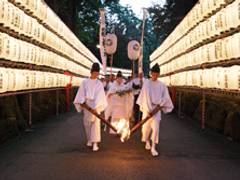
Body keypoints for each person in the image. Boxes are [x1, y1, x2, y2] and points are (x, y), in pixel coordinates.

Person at [137, 63, 174, 156]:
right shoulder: (147, 83)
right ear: (151, 73)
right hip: (147, 109)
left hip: (157, 109)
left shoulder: (162, 85)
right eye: (153, 74)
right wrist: (149, 110)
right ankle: (147, 141)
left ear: (158, 74)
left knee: (156, 128)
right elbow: (145, 97)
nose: (155, 76)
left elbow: (165, 98)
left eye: (157, 74)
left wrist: (159, 106)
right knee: (146, 128)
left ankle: (153, 147)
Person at [73, 63, 107, 151]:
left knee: (95, 125)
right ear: (91, 72)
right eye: (94, 73)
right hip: (87, 105)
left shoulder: (99, 83)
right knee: (87, 124)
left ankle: (95, 142)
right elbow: (81, 93)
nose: (96, 75)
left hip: (96, 106)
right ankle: (89, 139)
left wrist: (96, 107)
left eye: (97, 73)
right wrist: (82, 102)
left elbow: (100, 95)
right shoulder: (85, 82)